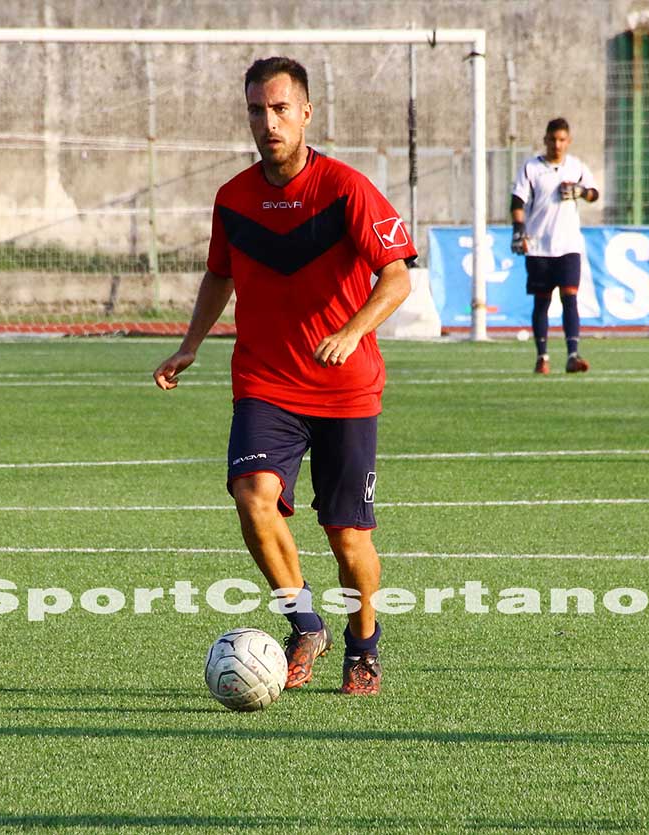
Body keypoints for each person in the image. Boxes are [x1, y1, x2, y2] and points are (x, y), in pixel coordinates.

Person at [153, 57, 415, 696]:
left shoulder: (346, 189)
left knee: (347, 537)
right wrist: (190, 345)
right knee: (252, 496)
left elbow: (397, 277)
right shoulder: (234, 198)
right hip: (266, 382)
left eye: (279, 109)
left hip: (346, 388)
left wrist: (351, 331)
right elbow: (220, 273)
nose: (267, 122)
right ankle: (305, 622)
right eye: (256, 110)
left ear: (305, 113)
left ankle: (363, 644)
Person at [510, 117, 599, 374]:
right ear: (545, 140)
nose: (557, 145)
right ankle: (542, 357)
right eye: (553, 140)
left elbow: (594, 193)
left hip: (568, 244)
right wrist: (519, 230)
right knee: (542, 301)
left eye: (562, 140)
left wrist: (581, 192)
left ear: (568, 141)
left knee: (570, 297)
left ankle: (573, 355)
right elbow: (517, 200)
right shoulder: (532, 168)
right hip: (539, 245)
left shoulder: (576, 167)